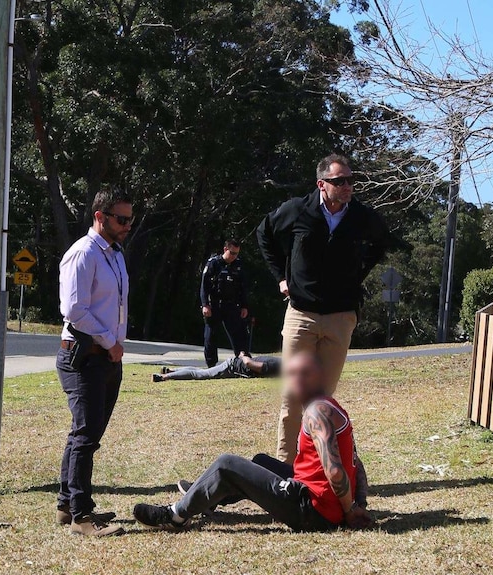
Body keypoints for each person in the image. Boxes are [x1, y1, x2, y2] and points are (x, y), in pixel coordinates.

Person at [133, 352, 371, 533]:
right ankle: (206, 497)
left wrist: (350, 512)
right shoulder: (332, 407)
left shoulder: (316, 414)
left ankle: (175, 515)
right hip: (322, 500)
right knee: (260, 462)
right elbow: (356, 463)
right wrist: (360, 503)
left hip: (313, 510)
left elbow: (335, 470)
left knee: (226, 464)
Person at [256, 154, 390, 463]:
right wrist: (281, 277)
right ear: (322, 184)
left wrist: (358, 272)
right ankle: (284, 474)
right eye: (339, 181)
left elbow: (382, 242)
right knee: (292, 399)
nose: (347, 187)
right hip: (301, 314)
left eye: (350, 181)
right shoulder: (297, 210)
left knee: (321, 403)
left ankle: (317, 472)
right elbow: (264, 233)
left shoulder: (360, 216)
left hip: (340, 317)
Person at [56, 188, 133, 537]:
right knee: (86, 434)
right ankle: (81, 518)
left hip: (107, 357)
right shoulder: (83, 254)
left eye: (130, 219)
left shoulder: (114, 255)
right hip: (84, 355)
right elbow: (74, 311)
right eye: (121, 219)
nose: (127, 225)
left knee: (87, 433)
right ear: (100, 216)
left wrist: (115, 344)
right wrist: (107, 341)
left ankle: (66, 504)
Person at [200, 240, 251, 367]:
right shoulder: (214, 263)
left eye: (236, 254)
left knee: (238, 334)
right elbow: (204, 285)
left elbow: (243, 288)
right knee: (211, 335)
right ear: (225, 249)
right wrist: (205, 304)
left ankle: (243, 362)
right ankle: (211, 364)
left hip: (231, 305)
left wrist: (244, 306)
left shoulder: (238, 265)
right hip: (215, 305)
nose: (234, 256)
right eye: (232, 253)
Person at [150, 352, 281, 382]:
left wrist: (243, 356)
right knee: (202, 374)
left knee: (201, 372)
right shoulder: (279, 365)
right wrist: (244, 357)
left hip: (233, 365)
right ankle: (166, 375)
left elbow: (251, 364)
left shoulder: (278, 365)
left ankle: (168, 373)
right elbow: (250, 363)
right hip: (233, 366)